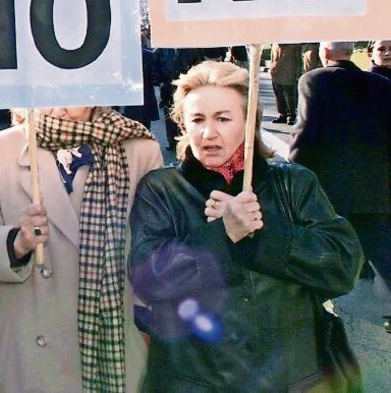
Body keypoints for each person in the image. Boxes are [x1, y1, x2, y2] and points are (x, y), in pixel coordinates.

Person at [129, 61, 362, 391]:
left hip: (292, 377)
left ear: (250, 122)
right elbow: (150, 280)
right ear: (182, 124)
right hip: (195, 379)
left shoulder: (293, 183)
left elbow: (343, 267)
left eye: (223, 118)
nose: (208, 133)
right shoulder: (161, 190)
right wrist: (223, 233)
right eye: (197, 119)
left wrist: (261, 233)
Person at [0, 106, 162, 392]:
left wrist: (144, 329)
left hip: (113, 349)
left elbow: (154, 250)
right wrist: (17, 242)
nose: (60, 101)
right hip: (29, 357)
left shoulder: (138, 150)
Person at [290, 41, 391, 331]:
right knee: (382, 248)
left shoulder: (313, 80)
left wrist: (294, 167)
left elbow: (306, 129)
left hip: (330, 183)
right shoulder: (381, 84)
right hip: (374, 182)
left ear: (324, 54)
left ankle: (314, 304)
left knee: (325, 243)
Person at [268, 43, 302, 124]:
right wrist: (271, 68)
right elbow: (272, 58)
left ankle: (291, 115)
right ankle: (282, 114)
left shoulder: (294, 45)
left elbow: (298, 60)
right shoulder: (275, 44)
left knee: (289, 95)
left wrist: (298, 74)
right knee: (278, 94)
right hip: (276, 73)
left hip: (289, 72)